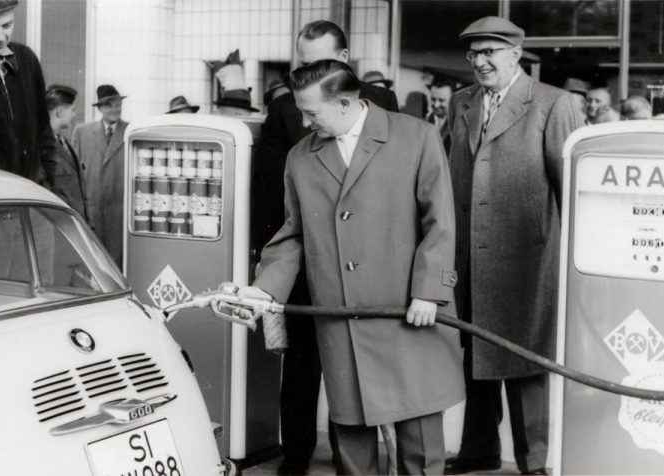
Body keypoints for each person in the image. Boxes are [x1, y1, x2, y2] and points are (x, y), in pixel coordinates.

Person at [241, 59, 463, 476]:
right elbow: (293, 235)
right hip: (340, 316)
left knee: (419, 442)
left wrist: (428, 291)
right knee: (352, 442)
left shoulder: (415, 137)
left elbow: (441, 222)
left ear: (344, 103)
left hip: (406, 312)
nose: (305, 123)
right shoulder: (300, 159)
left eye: (311, 113)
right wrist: (263, 291)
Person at [252, 19, 398, 476]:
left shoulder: (385, 105)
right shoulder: (283, 111)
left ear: (345, 61)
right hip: (306, 264)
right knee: (300, 369)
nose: (309, 71)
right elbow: (271, 197)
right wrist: (272, 271)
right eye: (303, 62)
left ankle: (349, 457)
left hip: (365, 267)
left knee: (355, 369)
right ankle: (294, 456)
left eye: (320, 62)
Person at [447, 16, 583, 475]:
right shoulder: (461, 102)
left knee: (526, 364)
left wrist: (565, 264)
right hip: (472, 257)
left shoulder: (552, 103)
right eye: (474, 54)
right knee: (477, 358)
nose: (480, 62)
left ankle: (536, 462)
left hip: (528, 258)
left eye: (489, 52)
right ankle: (478, 451)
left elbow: (571, 192)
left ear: (515, 54)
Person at [0, 0, 55, 184]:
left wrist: (47, 179)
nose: (1, 37)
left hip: (29, 191)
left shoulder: (26, 59)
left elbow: (43, 128)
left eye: (7, 25)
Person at [72, 84, 129, 268]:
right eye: (109, 105)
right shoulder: (82, 133)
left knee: (118, 265)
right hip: (92, 213)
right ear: (100, 108)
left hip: (120, 214)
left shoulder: (131, 131)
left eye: (118, 104)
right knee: (93, 264)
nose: (115, 109)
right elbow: (75, 174)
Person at [46, 84, 87, 219]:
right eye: (72, 110)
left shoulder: (64, 142)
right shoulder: (42, 146)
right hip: (60, 226)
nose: (74, 114)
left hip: (76, 223)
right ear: (59, 112)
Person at [427, 78, 454, 153]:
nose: (436, 105)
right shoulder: (423, 122)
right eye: (433, 99)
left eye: (441, 100)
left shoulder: (458, 124)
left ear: (453, 100)